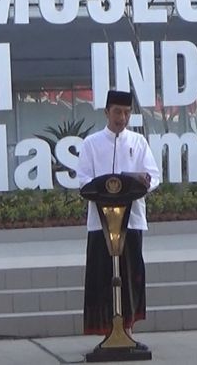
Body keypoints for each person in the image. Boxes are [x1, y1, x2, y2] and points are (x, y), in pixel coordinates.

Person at [76, 89, 160, 340]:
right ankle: (106, 330)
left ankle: (128, 329)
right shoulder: (91, 143)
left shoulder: (138, 142)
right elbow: (83, 181)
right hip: (100, 223)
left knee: (130, 276)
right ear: (106, 112)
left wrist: (142, 182)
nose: (121, 118)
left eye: (126, 113)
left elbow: (153, 176)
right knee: (102, 276)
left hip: (131, 221)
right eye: (117, 112)